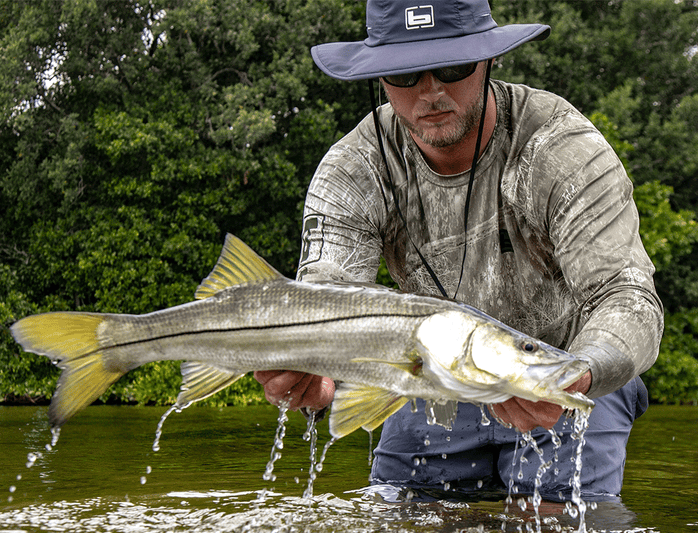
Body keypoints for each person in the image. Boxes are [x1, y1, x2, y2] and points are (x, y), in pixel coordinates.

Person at [255, 0, 663, 502]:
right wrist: (321, 379)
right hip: (430, 378)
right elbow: (327, 305)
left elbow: (629, 298)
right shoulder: (352, 167)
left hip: (560, 372)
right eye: (404, 73)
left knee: (560, 516)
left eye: (452, 66)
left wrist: (578, 372)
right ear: (380, 77)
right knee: (394, 512)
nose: (431, 92)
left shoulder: (561, 147)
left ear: (488, 60)